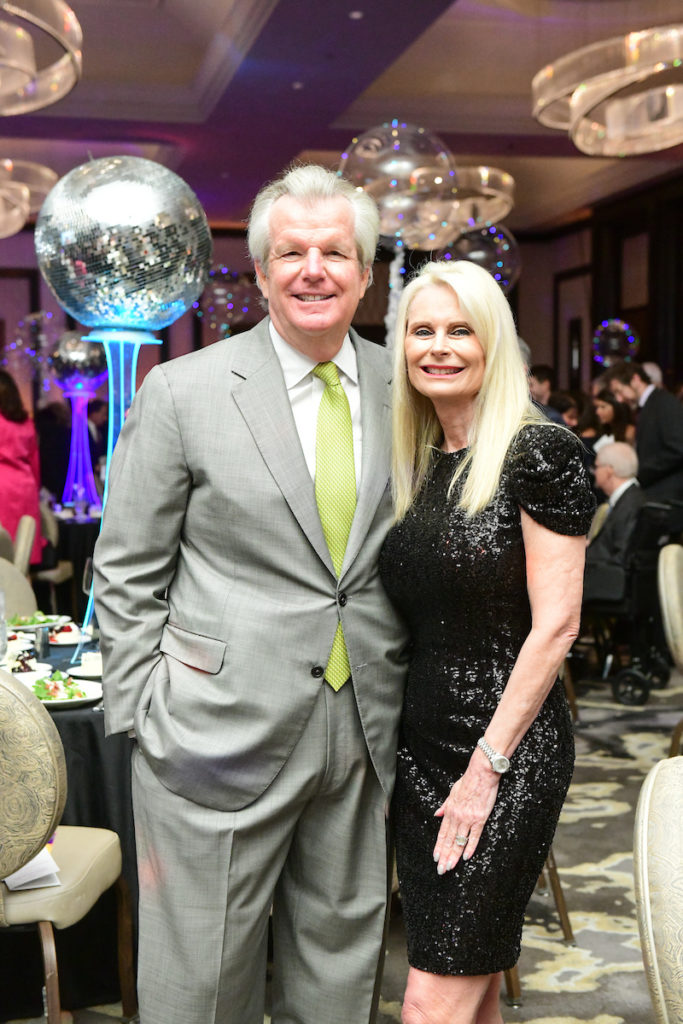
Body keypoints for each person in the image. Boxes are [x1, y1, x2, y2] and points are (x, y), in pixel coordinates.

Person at [93, 164, 408, 1024]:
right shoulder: (183, 390)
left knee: (341, 967)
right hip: (207, 727)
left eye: (335, 252)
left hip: (363, 725)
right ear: (261, 274)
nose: (314, 268)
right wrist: (143, 709)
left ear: (365, 273)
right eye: (291, 252)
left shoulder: (405, 387)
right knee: (200, 986)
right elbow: (124, 569)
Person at [378, 261, 595, 1024]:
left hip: (505, 754)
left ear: (492, 343)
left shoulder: (539, 452)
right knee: (469, 981)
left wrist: (486, 767)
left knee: (430, 995)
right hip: (423, 744)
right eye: (421, 331)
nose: (437, 347)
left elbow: (557, 625)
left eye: (458, 330)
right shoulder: (422, 461)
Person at [607, 361, 683, 521]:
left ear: (635, 379)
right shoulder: (650, 404)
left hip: (666, 499)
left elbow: (678, 448)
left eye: (619, 391)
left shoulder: (663, 402)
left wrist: (639, 473)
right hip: (656, 495)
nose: (619, 399)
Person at [583, 442, 644, 603]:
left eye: (596, 467)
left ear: (609, 471)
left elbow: (621, 556)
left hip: (603, 578)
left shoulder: (631, 504)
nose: (594, 472)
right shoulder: (630, 500)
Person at [0, 369, 43, 565]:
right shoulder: (25, 421)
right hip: (25, 485)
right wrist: (35, 487)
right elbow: (35, 461)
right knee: (23, 555)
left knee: (3, 554)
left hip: (3, 485)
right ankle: (24, 593)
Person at [592, 387, 636, 453]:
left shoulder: (629, 432)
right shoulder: (604, 429)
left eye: (603, 407)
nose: (597, 412)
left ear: (616, 408)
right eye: (597, 407)